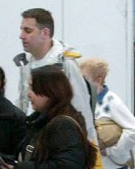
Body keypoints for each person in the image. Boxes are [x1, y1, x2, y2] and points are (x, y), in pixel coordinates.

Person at [17, 8, 96, 141]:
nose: (21, 35)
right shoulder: (26, 64)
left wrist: (89, 147)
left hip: (62, 140)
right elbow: (23, 104)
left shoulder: (65, 64)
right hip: (35, 138)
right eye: (21, 30)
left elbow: (81, 110)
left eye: (28, 30)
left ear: (45, 33)